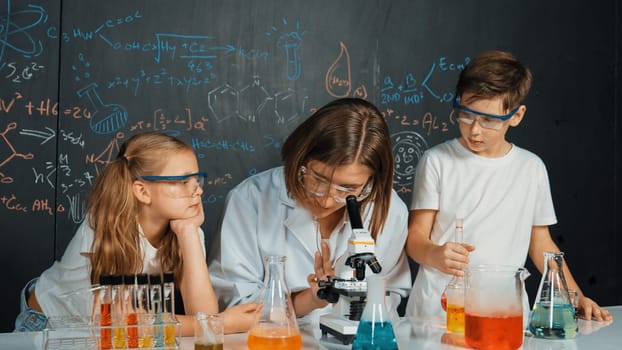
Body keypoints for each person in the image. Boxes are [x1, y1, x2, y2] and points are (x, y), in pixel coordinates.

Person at [405, 50, 612, 322]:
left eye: (488, 120)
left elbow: (541, 243)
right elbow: (415, 239)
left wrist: (575, 296)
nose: (474, 130)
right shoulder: (437, 161)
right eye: (465, 115)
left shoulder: (531, 168)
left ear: (516, 115)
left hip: (503, 315)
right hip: (438, 313)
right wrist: (436, 254)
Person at [15, 132, 258, 335]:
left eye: (197, 179)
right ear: (142, 191)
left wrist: (188, 233)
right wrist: (224, 324)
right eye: (183, 181)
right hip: (47, 325)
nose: (197, 191)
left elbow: (203, 314)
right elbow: (127, 323)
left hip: (96, 333)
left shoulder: (185, 225)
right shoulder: (105, 226)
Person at [208, 98, 411, 325]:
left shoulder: (389, 209)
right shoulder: (250, 201)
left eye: (348, 188)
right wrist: (311, 299)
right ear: (300, 157)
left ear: (371, 182)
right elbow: (236, 307)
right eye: (319, 179)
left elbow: (389, 295)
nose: (325, 200)